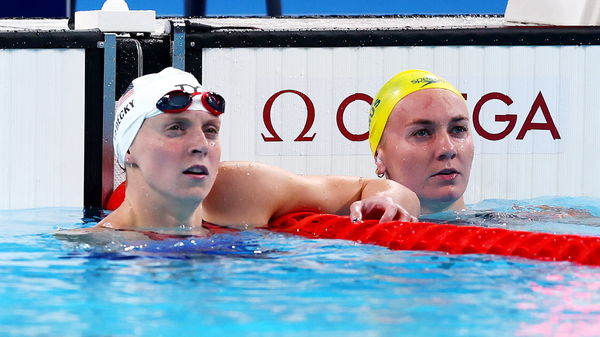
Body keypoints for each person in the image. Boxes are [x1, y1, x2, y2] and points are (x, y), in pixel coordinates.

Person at [60, 67, 419, 239]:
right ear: (130, 151)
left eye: (210, 131)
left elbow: (378, 190)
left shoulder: (242, 191)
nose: (200, 144)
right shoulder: (97, 249)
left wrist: (388, 201)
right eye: (176, 128)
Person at [368, 69, 474, 215]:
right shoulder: (353, 232)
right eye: (422, 133)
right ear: (379, 158)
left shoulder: (509, 219)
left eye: (458, 129)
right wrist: (367, 188)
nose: (448, 149)